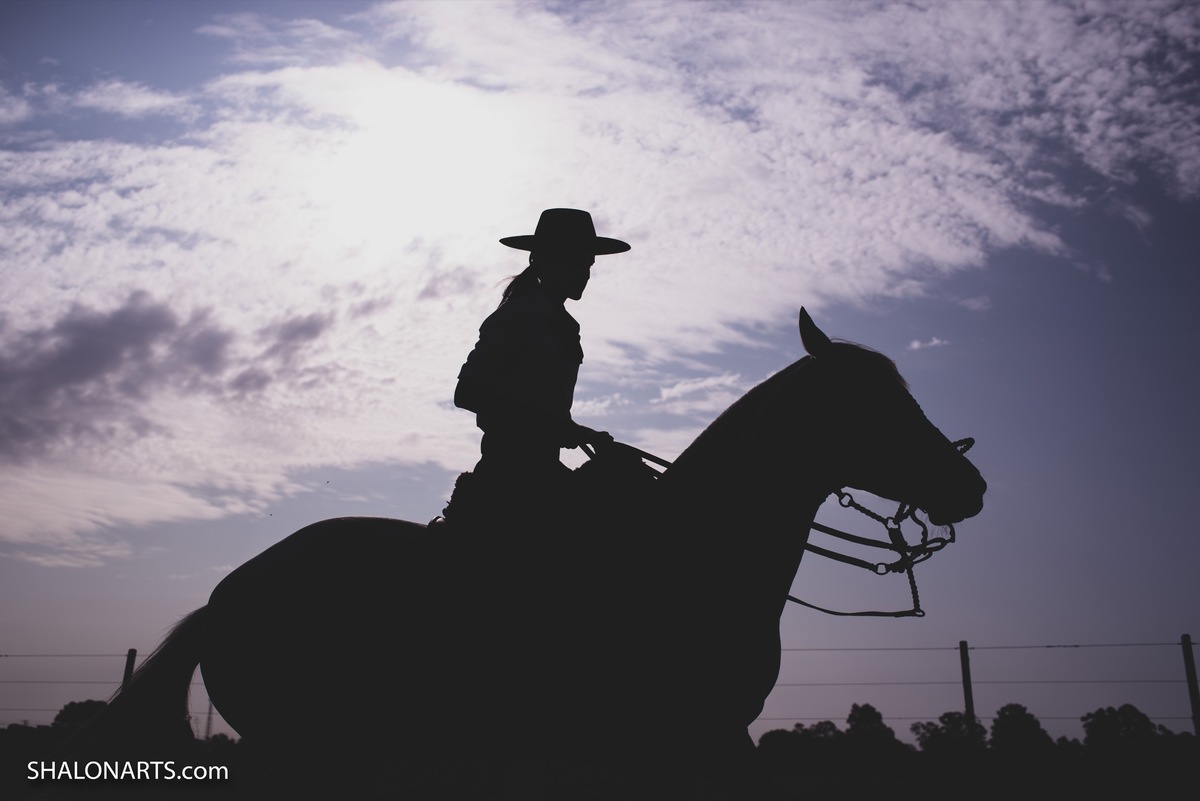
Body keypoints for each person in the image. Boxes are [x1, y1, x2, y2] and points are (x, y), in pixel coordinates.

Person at [447, 208, 629, 530]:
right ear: (545, 261)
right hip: (507, 478)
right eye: (577, 262)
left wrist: (578, 431)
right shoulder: (515, 317)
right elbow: (468, 392)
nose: (586, 273)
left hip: (545, 470)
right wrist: (555, 427)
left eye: (588, 264)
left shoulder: (565, 327)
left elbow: (545, 407)